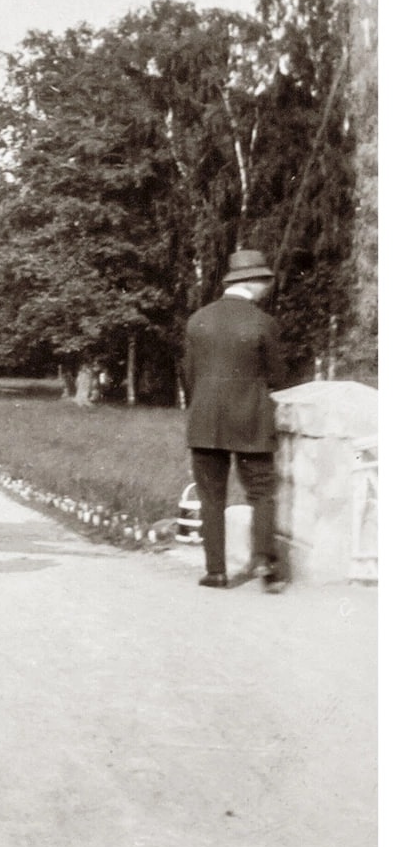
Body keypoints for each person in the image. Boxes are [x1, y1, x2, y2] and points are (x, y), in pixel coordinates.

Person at [183, 248, 288, 593]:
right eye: (265, 282)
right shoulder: (263, 323)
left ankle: (216, 573)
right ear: (253, 282)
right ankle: (265, 563)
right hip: (251, 421)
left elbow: (189, 375)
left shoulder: (198, 320)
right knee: (262, 492)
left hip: (204, 422)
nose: (267, 289)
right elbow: (277, 376)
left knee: (211, 497)